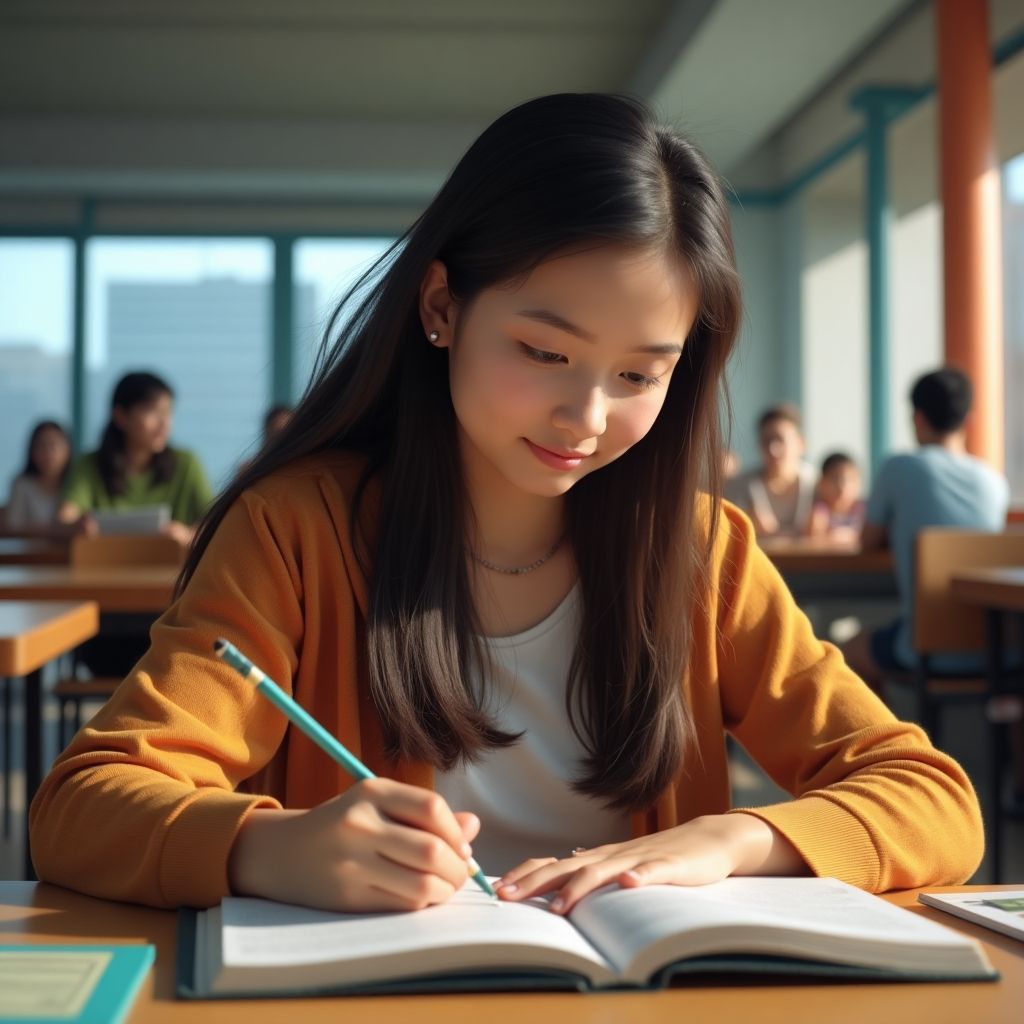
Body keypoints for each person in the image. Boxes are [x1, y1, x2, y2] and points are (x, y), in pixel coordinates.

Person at [31, 94, 981, 917]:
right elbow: (81, 808)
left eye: (639, 373)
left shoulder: (698, 553)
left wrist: (733, 842)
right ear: (441, 306)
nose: (586, 415)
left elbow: (932, 798)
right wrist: (265, 849)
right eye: (544, 352)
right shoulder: (298, 533)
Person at [842, 367, 1009, 689]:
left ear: (917, 418)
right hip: (1000, 649)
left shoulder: (899, 467)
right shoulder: (994, 481)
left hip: (926, 648)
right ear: (969, 421)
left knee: (848, 651)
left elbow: (867, 541)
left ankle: (886, 739)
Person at [57, 371, 213, 546]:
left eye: (168, 412)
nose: (164, 423)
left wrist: (187, 535)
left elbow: (212, 522)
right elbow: (64, 518)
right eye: (153, 411)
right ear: (121, 416)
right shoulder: (89, 465)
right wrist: (78, 527)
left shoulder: (187, 463)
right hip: (103, 568)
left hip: (170, 569)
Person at [724, 405, 817, 537]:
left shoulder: (817, 485)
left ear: (801, 444)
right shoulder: (739, 486)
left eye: (780, 439)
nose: (773, 449)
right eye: (766, 441)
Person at [4, 420, 72, 534]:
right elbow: (12, 526)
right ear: (32, 451)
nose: (48, 453)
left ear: (67, 449)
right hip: (29, 550)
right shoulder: (21, 485)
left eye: (53, 445)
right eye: (40, 446)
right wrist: (55, 529)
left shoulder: (76, 484)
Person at [806, 451, 865, 543]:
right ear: (821, 483)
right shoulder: (820, 510)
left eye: (850, 480)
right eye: (835, 479)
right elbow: (813, 535)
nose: (842, 487)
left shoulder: (864, 510)